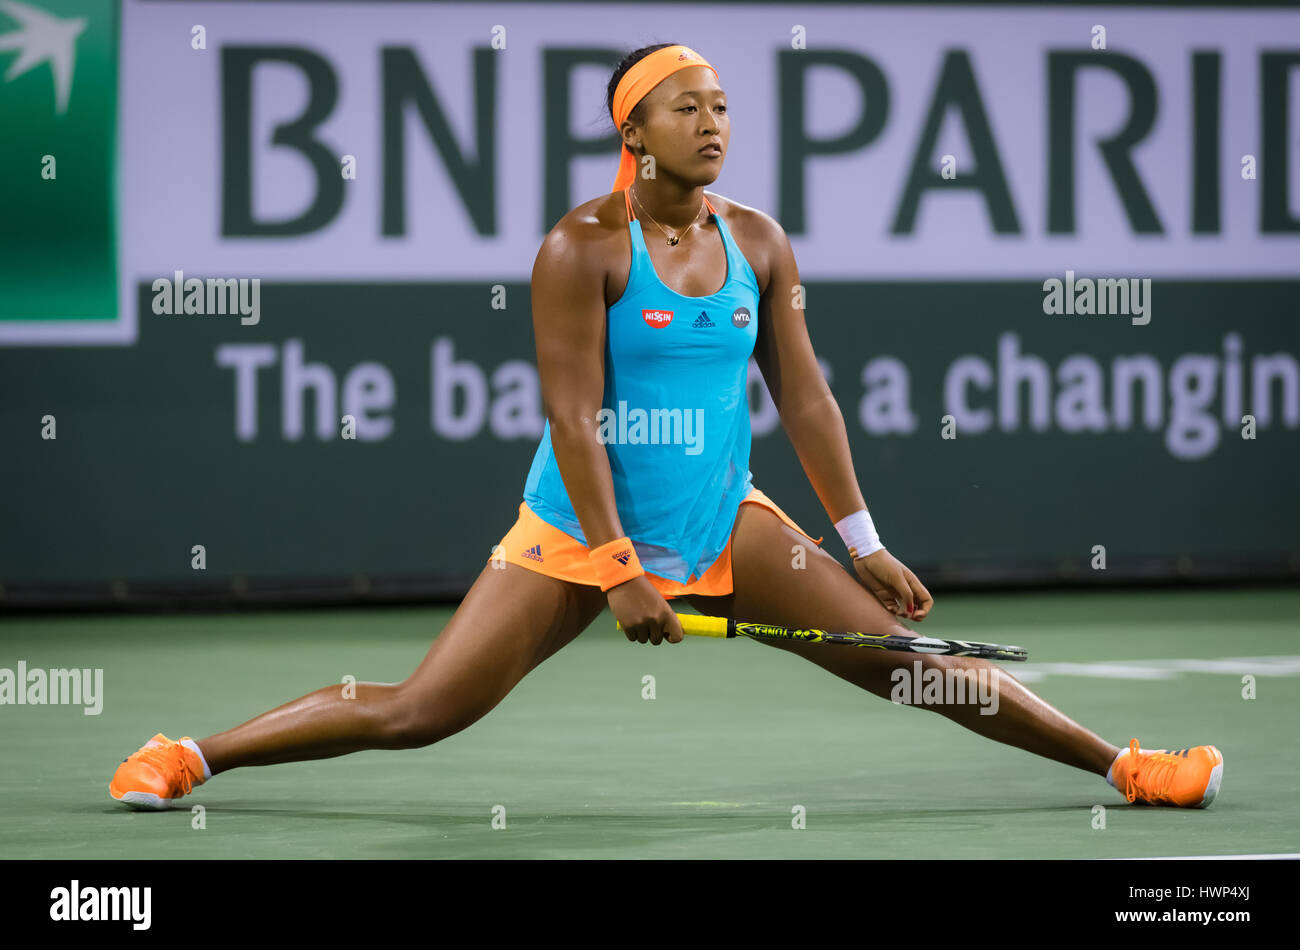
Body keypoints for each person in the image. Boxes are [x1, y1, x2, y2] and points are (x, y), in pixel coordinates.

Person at [110, 43, 1223, 813]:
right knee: (419, 710)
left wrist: (862, 535)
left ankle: (1128, 767)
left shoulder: (760, 240)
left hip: (719, 514)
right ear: (632, 128)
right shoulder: (579, 246)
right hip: (574, 527)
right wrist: (613, 567)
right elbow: (572, 415)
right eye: (687, 107)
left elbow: (804, 394)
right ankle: (188, 753)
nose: (713, 125)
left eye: (723, 106)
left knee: (913, 665)